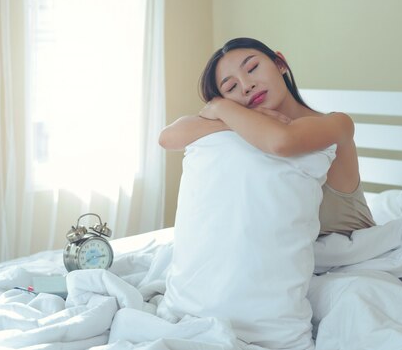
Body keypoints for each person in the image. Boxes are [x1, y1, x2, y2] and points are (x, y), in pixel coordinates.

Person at [159, 37, 375, 236]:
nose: (246, 86)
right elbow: (168, 138)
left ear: (280, 64)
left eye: (252, 68)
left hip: (353, 256)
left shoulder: (337, 124)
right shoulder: (248, 133)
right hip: (287, 260)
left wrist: (220, 107)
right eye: (231, 87)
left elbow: (282, 141)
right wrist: (225, 113)